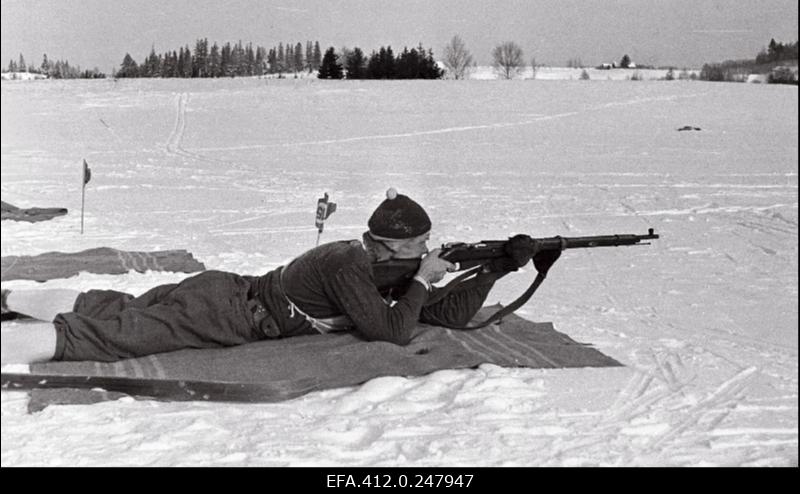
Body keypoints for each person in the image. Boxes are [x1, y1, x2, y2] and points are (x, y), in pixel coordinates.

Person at [1, 188, 548, 365]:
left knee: (111, 303)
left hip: (226, 290)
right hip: (227, 311)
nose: (426, 252)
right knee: (111, 335)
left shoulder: (372, 263)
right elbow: (393, 331)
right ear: (389, 245)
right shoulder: (348, 265)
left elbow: (444, 313)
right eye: (418, 247)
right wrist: (424, 279)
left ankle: (7, 295)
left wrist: (497, 268)